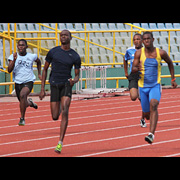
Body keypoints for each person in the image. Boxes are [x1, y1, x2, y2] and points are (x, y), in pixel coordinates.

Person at [39, 29, 81, 154]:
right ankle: (61, 110)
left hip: (66, 84)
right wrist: (42, 89)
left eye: (66, 35)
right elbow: (45, 69)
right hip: (54, 85)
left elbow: (78, 75)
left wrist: (74, 80)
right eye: (61, 35)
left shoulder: (75, 56)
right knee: (55, 116)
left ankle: (60, 142)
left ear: (70, 38)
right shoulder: (53, 52)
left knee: (66, 110)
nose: (63, 37)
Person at [132, 31, 177, 144]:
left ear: (153, 39)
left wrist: (173, 79)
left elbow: (170, 63)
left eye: (148, 38)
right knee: (147, 114)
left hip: (155, 85)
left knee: (154, 104)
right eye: (144, 39)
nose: (146, 41)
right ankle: (148, 118)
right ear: (143, 41)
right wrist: (138, 69)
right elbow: (133, 69)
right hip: (142, 87)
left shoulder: (160, 53)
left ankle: (151, 134)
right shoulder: (138, 53)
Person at [8, 39, 42, 126]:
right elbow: (9, 70)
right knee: (23, 102)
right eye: (19, 45)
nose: (21, 47)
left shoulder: (32, 56)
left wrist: (39, 73)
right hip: (18, 82)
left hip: (28, 81)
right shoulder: (13, 56)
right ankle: (30, 103)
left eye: (23, 45)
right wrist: (14, 60)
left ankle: (22, 118)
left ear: (26, 47)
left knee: (23, 95)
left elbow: (38, 62)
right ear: (17, 46)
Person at [123, 33, 147, 128]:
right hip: (133, 75)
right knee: (133, 97)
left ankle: (142, 119)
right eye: (134, 39)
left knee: (143, 100)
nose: (136, 41)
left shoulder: (147, 51)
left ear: (142, 41)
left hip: (143, 76)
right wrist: (125, 72)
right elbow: (125, 60)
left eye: (138, 39)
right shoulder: (129, 50)